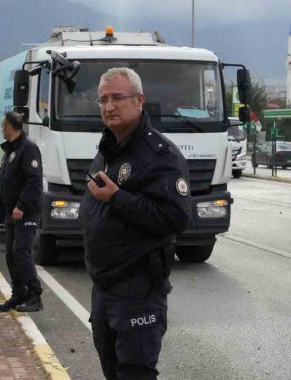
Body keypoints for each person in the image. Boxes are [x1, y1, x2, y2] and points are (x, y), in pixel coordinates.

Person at [78, 67, 192, 379]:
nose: (108, 106)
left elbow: (177, 217)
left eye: (117, 98)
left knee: (135, 373)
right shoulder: (108, 149)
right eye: (102, 100)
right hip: (104, 287)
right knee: (112, 371)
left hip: (137, 288)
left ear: (139, 100)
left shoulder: (160, 155)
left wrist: (117, 198)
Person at [0, 111, 44, 313]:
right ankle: (18, 293)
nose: (2, 129)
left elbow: (33, 182)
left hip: (26, 211)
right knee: (11, 254)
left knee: (21, 251)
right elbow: (4, 181)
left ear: (9, 127)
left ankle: (35, 295)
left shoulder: (28, 149)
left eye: (3, 126)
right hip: (12, 211)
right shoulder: (10, 151)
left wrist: (21, 206)